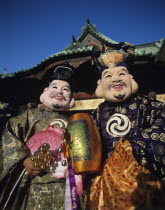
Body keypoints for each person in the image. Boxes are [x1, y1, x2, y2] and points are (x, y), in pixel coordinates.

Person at [85, 43, 165, 209]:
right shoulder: (97, 114)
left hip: (143, 182)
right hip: (106, 185)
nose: (116, 79)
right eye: (108, 76)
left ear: (131, 79)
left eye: (122, 73)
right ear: (99, 85)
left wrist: (131, 148)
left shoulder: (149, 105)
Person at [0, 63, 83, 210]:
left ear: (71, 97)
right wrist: (24, 160)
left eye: (65, 89)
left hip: (67, 188)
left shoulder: (75, 121)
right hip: (34, 183)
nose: (60, 92)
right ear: (45, 91)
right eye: (55, 87)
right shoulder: (29, 116)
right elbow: (9, 134)